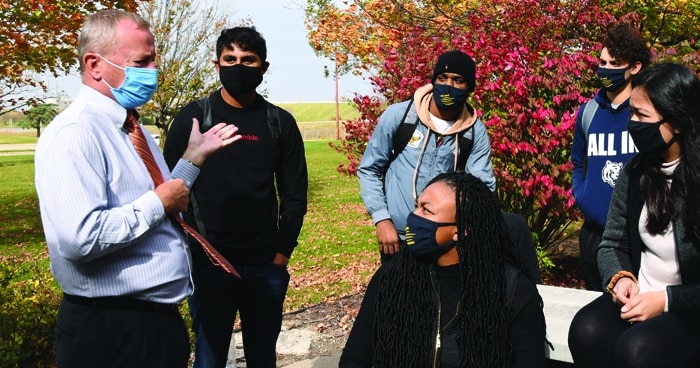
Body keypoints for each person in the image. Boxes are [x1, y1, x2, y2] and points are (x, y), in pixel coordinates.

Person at [34, 9, 241, 368]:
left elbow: (162, 198)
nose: (152, 72)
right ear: (94, 65)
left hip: (155, 324)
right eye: (141, 62)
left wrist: (191, 161)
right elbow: (79, 239)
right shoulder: (75, 134)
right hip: (111, 332)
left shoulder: (134, 130)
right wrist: (157, 203)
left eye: (153, 60)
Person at [163, 26, 308, 368]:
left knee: (262, 358)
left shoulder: (279, 123)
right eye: (230, 59)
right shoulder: (194, 119)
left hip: (264, 267)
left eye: (248, 60)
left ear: (263, 67)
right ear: (217, 64)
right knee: (210, 359)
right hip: (210, 266)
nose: (238, 67)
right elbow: (169, 190)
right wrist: (197, 255)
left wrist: (280, 257)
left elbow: (294, 196)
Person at [357, 50, 541, 282]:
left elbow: (481, 188)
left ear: (469, 88)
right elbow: (369, 169)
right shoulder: (400, 117)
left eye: (458, 80)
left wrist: (466, 229)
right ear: (433, 80)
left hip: (445, 242)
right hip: (398, 237)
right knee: (398, 305)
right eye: (442, 78)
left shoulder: (474, 131)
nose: (448, 85)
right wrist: (382, 219)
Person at [568, 62, 700, 367]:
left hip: (688, 308)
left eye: (642, 115)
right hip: (640, 296)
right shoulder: (635, 172)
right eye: (632, 112)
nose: (632, 123)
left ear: (677, 122)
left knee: (637, 351)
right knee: (586, 330)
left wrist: (667, 301)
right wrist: (620, 277)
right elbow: (612, 242)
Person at [340, 171, 546, 367]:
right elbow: (354, 358)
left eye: (426, 210)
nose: (413, 217)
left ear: (461, 231)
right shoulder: (391, 278)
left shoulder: (511, 289)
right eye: (417, 206)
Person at [571, 23, 651, 291]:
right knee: (596, 313)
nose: (605, 70)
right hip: (593, 233)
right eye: (602, 62)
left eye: (615, 64)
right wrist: (581, 195)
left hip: (636, 236)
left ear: (635, 67)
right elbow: (578, 161)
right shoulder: (588, 112)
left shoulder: (646, 113)